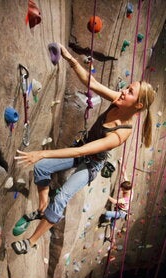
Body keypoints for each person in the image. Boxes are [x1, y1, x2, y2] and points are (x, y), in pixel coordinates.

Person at [11, 43, 156, 255]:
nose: (123, 91)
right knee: (42, 168)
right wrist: (70, 58)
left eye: (130, 91)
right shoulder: (119, 101)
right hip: (81, 149)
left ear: (139, 105)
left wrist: (42, 152)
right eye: (127, 88)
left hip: (91, 163)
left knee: (61, 197)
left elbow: (82, 152)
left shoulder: (122, 133)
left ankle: (31, 242)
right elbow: (92, 83)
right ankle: (43, 207)